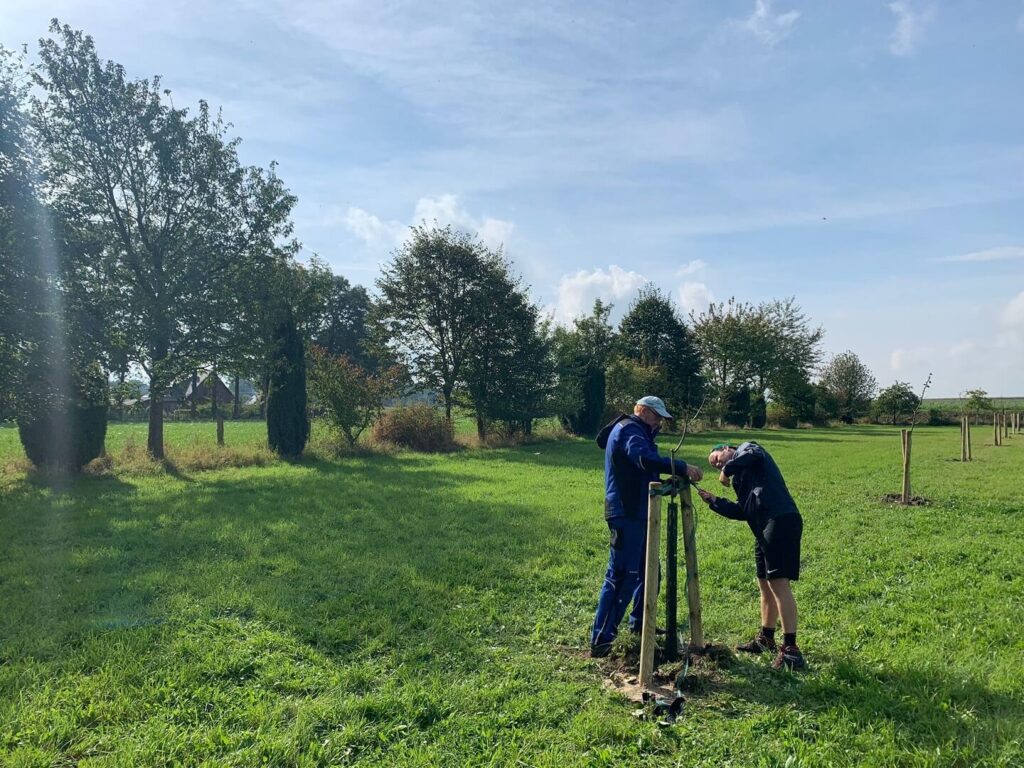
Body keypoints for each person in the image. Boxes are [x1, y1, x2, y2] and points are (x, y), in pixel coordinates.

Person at [589, 396, 703, 657]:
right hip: (626, 512)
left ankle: (640, 626)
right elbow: (642, 459)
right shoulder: (630, 430)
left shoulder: (637, 430)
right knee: (621, 576)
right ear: (641, 411)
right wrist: (682, 466)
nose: (659, 423)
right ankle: (602, 640)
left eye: (660, 418)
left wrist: (665, 480)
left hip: (638, 511)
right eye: (655, 416)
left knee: (648, 571)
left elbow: (642, 471)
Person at [695, 441, 806, 671]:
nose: (717, 465)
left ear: (727, 448)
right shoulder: (740, 479)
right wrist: (715, 501)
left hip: (780, 520)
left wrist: (727, 470)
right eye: (715, 466)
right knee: (764, 584)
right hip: (761, 526)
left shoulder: (750, 450)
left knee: (779, 585)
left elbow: (752, 455)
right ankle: (766, 638)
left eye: (716, 458)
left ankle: (791, 651)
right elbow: (743, 511)